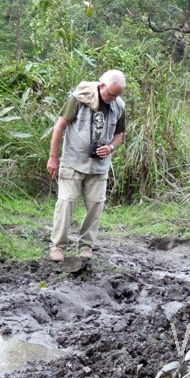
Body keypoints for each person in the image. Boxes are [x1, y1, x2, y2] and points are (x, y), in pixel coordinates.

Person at [46, 70, 126, 262]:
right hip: (73, 161)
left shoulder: (119, 105)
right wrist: (53, 157)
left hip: (99, 166)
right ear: (102, 86)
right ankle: (57, 247)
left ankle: (86, 246)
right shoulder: (79, 98)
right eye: (111, 94)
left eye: (118, 95)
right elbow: (60, 126)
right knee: (65, 202)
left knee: (96, 206)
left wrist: (110, 147)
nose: (114, 98)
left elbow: (119, 134)